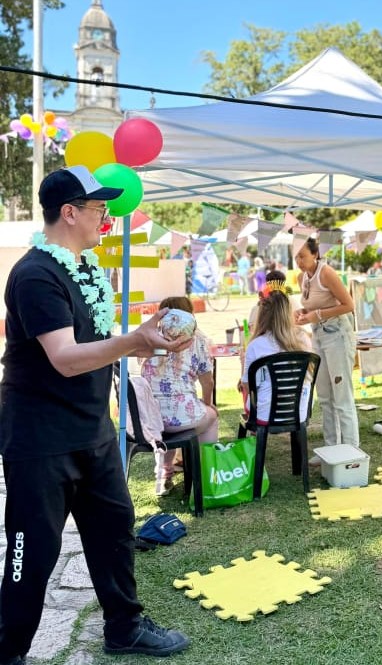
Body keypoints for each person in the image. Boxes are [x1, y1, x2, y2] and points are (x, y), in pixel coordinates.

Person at [0, 166, 191, 664]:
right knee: (33, 553)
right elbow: (64, 357)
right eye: (98, 208)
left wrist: (149, 344)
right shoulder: (35, 274)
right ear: (69, 212)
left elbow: (95, 343)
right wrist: (135, 340)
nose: (106, 216)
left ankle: (124, 628)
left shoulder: (84, 267)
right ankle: (9, 650)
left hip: (92, 429)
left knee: (114, 530)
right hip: (40, 439)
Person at [141, 296, 218, 496]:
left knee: (169, 422)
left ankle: (163, 475)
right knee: (211, 418)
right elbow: (207, 382)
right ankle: (207, 474)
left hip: (150, 419)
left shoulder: (149, 339)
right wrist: (208, 404)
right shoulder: (197, 341)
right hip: (182, 417)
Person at [293, 238, 359, 455]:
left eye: (303, 256)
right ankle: (332, 449)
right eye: (296, 256)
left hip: (338, 335)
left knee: (342, 396)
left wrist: (317, 315)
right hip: (318, 337)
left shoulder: (326, 273)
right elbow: (311, 306)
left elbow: (349, 305)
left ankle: (351, 451)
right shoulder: (302, 277)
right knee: (324, 396)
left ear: (315, 254)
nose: (299, 261)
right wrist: (302, 314)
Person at [241, 281, 313, 422]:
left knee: (254, 396)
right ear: (288, 312)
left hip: (265, 414)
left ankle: (258, 438)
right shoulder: (303, 338)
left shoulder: (256, 345)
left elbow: (247, 385)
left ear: (261, 315)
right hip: (299, 411)